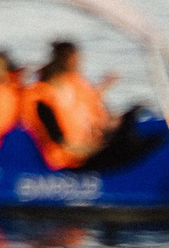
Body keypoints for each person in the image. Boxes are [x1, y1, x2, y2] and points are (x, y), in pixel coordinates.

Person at [24, 40, 114, 170]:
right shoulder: (42, 101)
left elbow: (91, 109)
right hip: (68, 159)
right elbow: (60, 141)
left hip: (85, 148)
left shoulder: (75, 84)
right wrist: (96, 149)